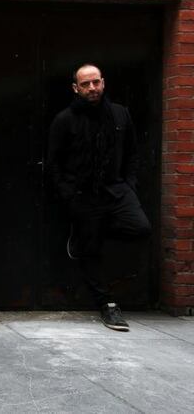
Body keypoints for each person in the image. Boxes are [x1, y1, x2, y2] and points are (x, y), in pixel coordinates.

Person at [47, 63, 151, 332]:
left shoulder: (120, 114)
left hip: (117, 191)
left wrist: (129, 185)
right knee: (90, 250)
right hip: (82, 196)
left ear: (103, 82)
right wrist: (68, 196)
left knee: (140, 228)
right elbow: (54, 163)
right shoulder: (64, 120)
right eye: (85, 84)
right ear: (75, 88)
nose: (92, 88)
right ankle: (107, 304)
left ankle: (86, 237)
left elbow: (132, 154)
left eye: (96, 82)